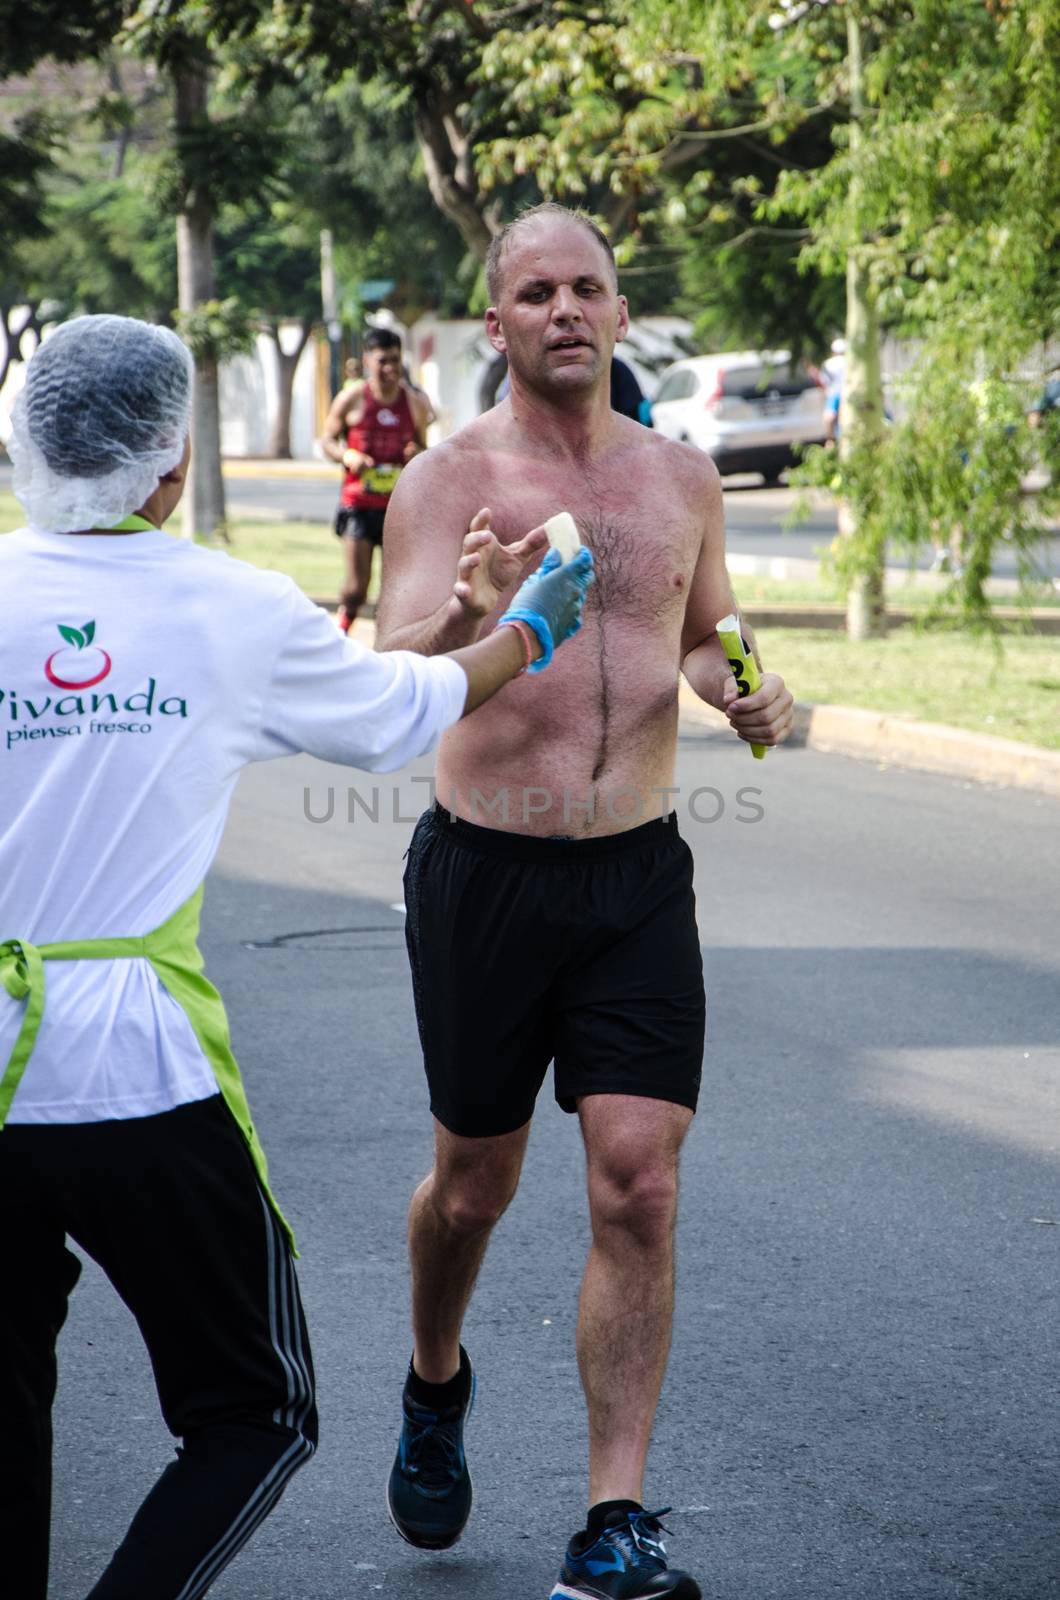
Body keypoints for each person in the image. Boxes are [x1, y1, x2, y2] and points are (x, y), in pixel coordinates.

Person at [0, 313, 593, 1600]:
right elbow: (392, 719)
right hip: (130, 1073)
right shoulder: (227, 604)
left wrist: (448, 616)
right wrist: (530, 629)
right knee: (255, 1414)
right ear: (171, 462)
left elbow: (336, 687)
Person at [375, 202, 794, 1600]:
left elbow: (707, 633)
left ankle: (613, 1518)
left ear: (620, 314)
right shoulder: (444, 479)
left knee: (642, 1182)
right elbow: (395, 657)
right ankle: (436, 1378)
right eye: (537, 291)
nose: (567, 308)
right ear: (492, 324)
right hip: (485, 872)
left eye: (589, 288)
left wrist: (750, 690)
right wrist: (474, 612)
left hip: (632, 874)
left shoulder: (681, 477)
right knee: (474, 1187)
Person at [320, 327, 433, 634]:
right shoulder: (352, 399)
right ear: (368, 361)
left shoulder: (416, 403)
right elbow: (327, 440)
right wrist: (347, 456)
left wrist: (416, 453)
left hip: (398, 507)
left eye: (395, 361)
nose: (390, 369)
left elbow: (424, 448)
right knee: (357, 588)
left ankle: (386, 649)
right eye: (383, 361)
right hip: (358, 505)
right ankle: (339, 638)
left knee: (396, 589)